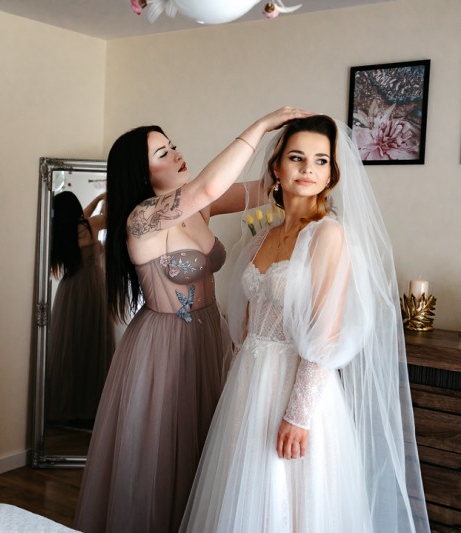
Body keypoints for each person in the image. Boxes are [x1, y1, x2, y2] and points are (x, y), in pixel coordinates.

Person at [179, 115, 429, 532]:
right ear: (276, 168)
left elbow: (325, 334)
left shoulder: (329, 235)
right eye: (297, 158)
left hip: (298, 388)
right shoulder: (261, 238)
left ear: (331, 173)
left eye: (321, 160)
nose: (308, 169)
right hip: (249, 386)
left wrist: (299, 415)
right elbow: (245, 326)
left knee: (292, 499)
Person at [74, 106, 311, 533]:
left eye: (173, 146)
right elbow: (208, 186)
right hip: (163, 347)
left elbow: (267, 188)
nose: (176, 154)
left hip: (208, 337)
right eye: (162, 153)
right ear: (142, 174)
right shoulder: (142, 220)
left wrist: (297, 153)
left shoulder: (198, 207)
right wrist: (260, 125)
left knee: (208, 446)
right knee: (163, 452)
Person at [46, 191, 114, 425]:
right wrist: (103, 200)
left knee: (72, 344)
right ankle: (91, 405)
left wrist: (98, 200)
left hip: (70, 290)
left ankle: (70, 405)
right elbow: (107, 219)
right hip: (92, 287)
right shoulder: (89, 226)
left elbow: (81, 216)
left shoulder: (59, 232)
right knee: (92, 342)